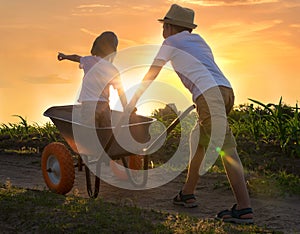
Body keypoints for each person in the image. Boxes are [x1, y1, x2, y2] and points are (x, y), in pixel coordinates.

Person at [127, 4, 253, 224]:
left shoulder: (170, 43)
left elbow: (151, 74)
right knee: (200, 143)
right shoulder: (200, 41)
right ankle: (187, 193)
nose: (162, 30)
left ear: (168, 26)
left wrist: (132, 102)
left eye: (164, 26)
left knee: (227, 150)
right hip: (226, 91)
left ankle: (244, 209)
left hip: (209, 96)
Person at [57, 31, 127, 128]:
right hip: (104, 106)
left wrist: (64, 56)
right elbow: (121, 91)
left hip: (89, 105)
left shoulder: (89, 61)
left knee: (89, 133)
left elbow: (76, 57)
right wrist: (127, 108)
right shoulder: (112, 69)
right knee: (106, 132)